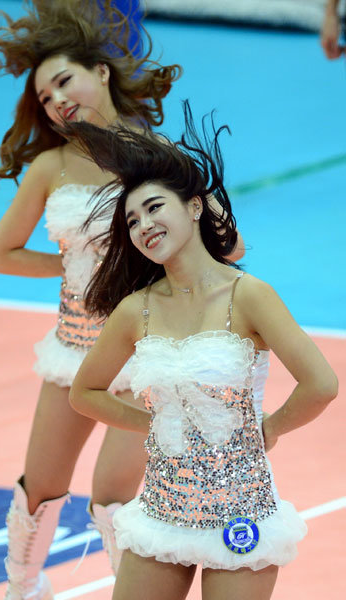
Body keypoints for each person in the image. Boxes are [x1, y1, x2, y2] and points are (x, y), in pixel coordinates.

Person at [68, 104, 338, 600]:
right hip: (161, 512)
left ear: (194, 207)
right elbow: (84, 392)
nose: (144, 225)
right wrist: (155, 423)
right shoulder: (135, 310)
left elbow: (321, 384)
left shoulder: (249, 295)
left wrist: (269, 429)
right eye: (132, 220)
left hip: (242, 513)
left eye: (155, 208)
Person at [0, 1, 189, 598]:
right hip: (73, 351)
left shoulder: (158, 154)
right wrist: (76, 268)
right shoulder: (50, 165)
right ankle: (23, 588)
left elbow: (224, 243)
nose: (56, 101)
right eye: (44, 98)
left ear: (101, 70)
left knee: (114, 498)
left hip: (143, 357)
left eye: (63, 81)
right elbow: (3, 254)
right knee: (40, 487)